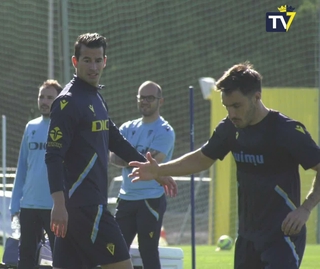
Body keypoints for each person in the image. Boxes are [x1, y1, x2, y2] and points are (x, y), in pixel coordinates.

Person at [129, 62, 320, 269]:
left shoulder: (286, 130)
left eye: (236, 106)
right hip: (247, 238)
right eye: (226, 107)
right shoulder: (230, 127)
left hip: (283, 236)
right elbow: (202, 158)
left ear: (257, 97)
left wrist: (305, 208)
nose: (231, 113)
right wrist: (159, 170)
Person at [45, 33, 177, 269]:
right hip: (84, 206)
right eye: (87, 60)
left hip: (84, 206)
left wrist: (156, 172)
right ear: (75, 62)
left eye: (98, 60)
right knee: (122, 265)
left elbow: (117, 141)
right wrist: (59, 204)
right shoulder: (68, 101)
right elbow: (53, 156)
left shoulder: (96, 97)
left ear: (105, 61)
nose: (93, 67)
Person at [110, 81, 175, 269]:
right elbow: (112, 157)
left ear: (160, 101)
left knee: (148, 252)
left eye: (150, 98)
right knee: (114, 252)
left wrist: (126, 157)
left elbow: (152, 163)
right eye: (142, 97)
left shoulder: (165, 131)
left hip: (150, 199)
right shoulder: (126, 127)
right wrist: (134, 159)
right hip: (126, 198)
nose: (145, 101)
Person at [10, 79, 62, 268]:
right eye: (41, 96)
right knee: (25, 259)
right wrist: (15, 203)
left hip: (55, 207)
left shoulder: (66, 128)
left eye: (50, 97)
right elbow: (22, 167)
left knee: (61, 258)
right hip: (29, 205)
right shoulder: (30, 127)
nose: (44, 101)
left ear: (60, 100)